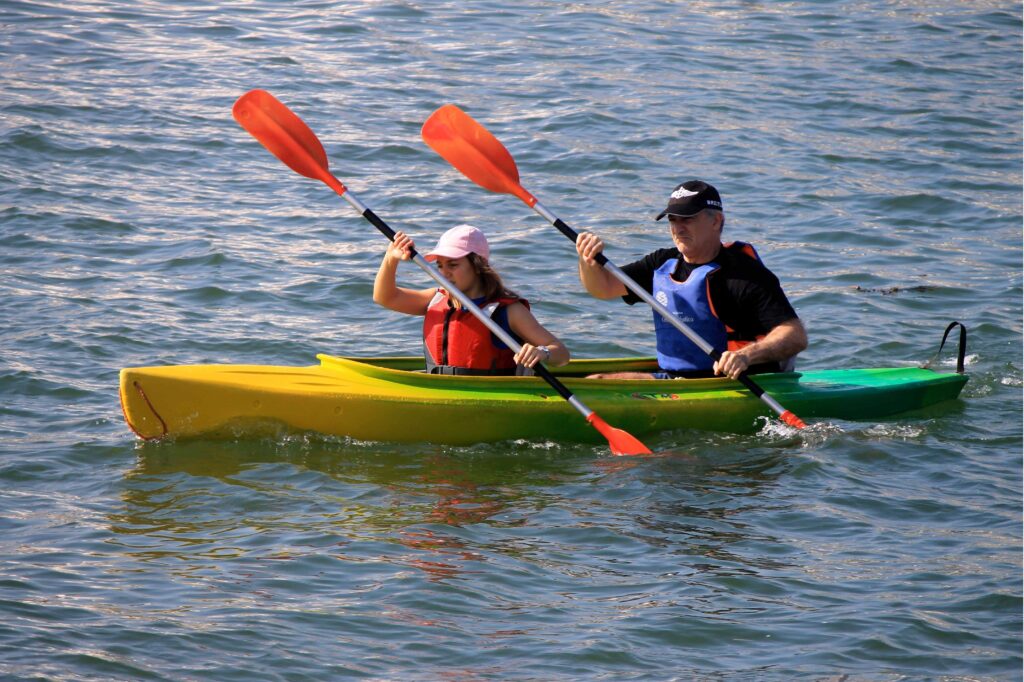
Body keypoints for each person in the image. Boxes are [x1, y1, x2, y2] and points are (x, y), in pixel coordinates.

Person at [575, 180, 807, 380]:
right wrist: (587, 260)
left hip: (735, 381)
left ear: (715, 221)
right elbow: (603, 288)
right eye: (673, 220)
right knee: (596, 379)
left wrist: (745, 356)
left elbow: (795, 335)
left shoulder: (744, 275)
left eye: (687, 219)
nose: (678, 228)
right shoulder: (661, 263)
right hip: (677, 378)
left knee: (599, 381)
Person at [374, 224, 570, 375]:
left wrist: (542, 352)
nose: (445, 273)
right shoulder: (435, 299)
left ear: (477, 265)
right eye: (440, 266)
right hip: (440, 389)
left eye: (453, 264)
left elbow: (561, 354)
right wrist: (391, 258)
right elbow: (385, 297)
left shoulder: (508, 311)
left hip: (489, 399)